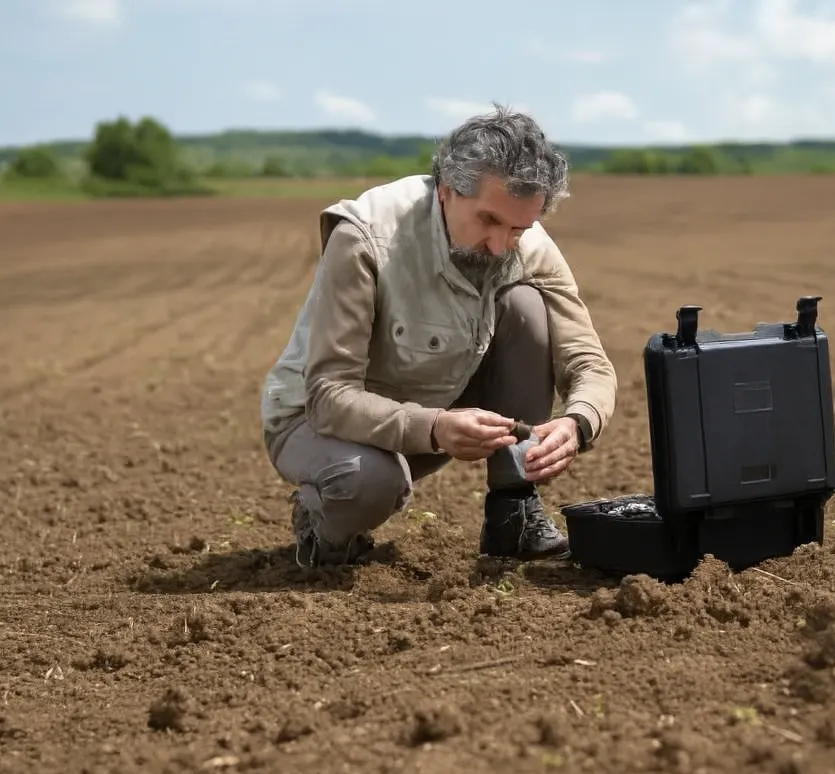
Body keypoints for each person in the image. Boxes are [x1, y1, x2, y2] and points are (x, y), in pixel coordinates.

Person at [259, 105, 617, 569]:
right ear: (447, 190)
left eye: (518, 227)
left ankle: (514, 514)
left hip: (433, 413)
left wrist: (577, 423)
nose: (500, 244)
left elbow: (589, 362)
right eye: (488, 221)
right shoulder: (366, 237)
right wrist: (434, 427)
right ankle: (320, 524)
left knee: (527, 307)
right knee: (369, 482)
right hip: (317, 421)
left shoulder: (524, 243)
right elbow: (328, 396)